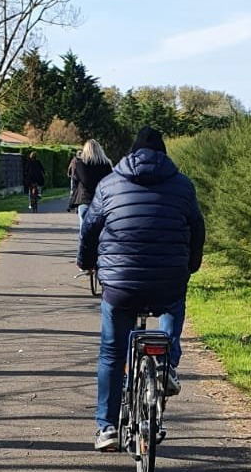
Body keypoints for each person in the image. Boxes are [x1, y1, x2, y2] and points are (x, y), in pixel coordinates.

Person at [77, 125, 205, 451]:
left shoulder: (110, 184)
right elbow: (197, 230)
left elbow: (90, 229)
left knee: (111, 351)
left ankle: (106, 428)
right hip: (168, 281)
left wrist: (85, 262)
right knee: (174, 304)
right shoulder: (182, 185)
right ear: (164, 154)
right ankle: (167, 364)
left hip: (120, 286)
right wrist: (190, 266)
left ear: (131, 153)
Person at [68, 139, 112, 233]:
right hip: (102, 201)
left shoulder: (81, 164)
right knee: (101, 232)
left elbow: (80, 181)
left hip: (85, 199)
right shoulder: (106, 164)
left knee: (84, 233)